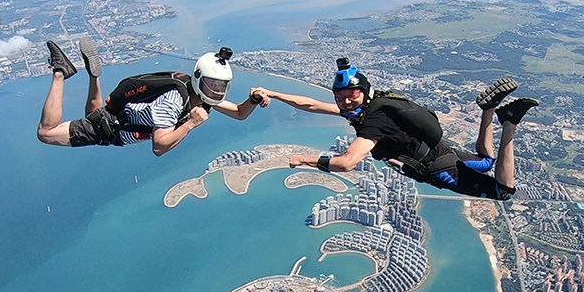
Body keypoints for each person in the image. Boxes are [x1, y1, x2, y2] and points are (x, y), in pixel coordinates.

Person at [251, 58, 539, 200]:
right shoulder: (370, 106)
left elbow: (347, 162)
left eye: (350, 95)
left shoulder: (372, 123)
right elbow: (312, 105)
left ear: (362, 92)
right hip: (443, 151)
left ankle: (509, 122)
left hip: (438, 169)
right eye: (340, 98)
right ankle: (489, 110)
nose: (345, 101)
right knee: (488, 161)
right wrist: (275, 93)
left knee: (503, 192)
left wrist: (305, 160)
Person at [37, 38, 268, 156]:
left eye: (220, 86)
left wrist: (254, 101)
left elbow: (239, 114)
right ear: (199, 79)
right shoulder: (174, 102)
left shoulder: (199, 96)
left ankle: (94, 76)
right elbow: (159, 147)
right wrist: (191, 124)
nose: (215, 91)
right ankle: (60, 72)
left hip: (114, 117)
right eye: (212, 84)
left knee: (94, 115)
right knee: (46, 133)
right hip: (112, 128)